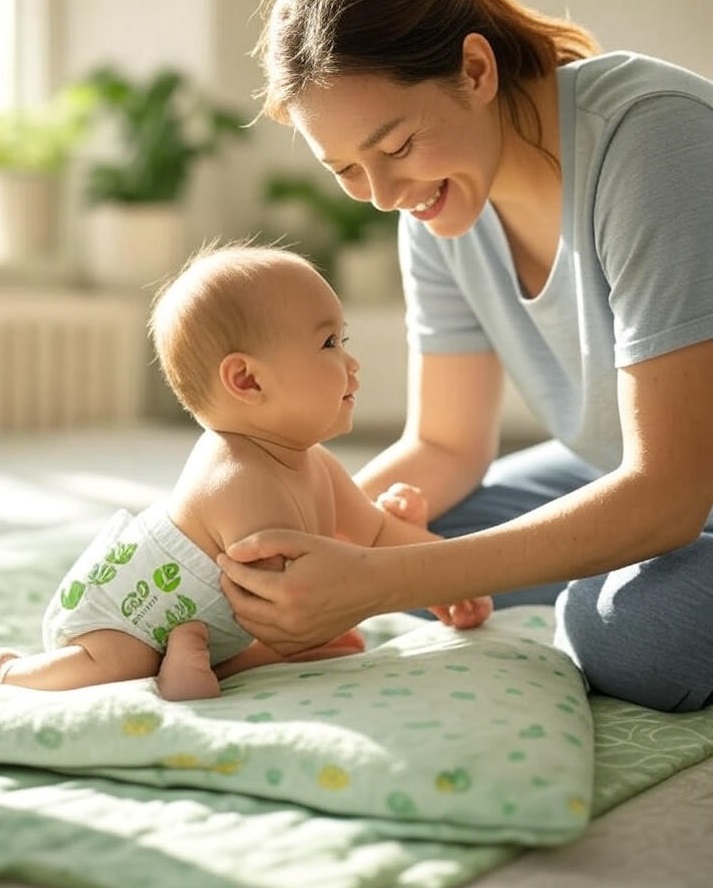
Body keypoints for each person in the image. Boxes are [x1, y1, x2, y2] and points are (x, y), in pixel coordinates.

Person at [217, 0, 713, 713]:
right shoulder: (437, 209)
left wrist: (376, 580)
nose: (384, 196)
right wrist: (257, 539)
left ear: (475, 70)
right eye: (348, 169)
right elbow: (443, 444)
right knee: (411, 539)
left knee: (626, 632)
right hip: (627, 465)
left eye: (395, 147)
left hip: (671, 480)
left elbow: (667, 492)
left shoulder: (652, 141)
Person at [0, 243, 491, 701]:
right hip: (122, 616)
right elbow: (288, 605)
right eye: (329, 343)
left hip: (223, 624)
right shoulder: (238, 481)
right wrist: (380, 582)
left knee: (328, 639)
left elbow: (375, 533)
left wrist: (443, 572)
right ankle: (13, 671)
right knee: (120, 663)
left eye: (343, 339)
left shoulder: (314, 462)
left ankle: (205, 664)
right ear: (248, 380)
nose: (352, 362)